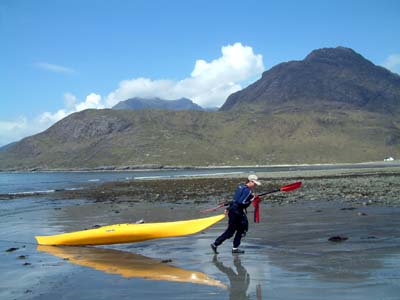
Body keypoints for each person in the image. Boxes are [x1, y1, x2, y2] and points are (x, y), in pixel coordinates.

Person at [211, 174, 261, 254]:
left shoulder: (240, 187)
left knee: (238, 229)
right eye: (254, 183)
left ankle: (231, 247)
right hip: (237, 212)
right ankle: (217, 244)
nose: (255, 185)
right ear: (250, 181)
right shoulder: (248, 191)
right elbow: (242, 203)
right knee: (237, 230)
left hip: (233, 210)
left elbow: (235, 200)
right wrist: (252, 200)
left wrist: (228, 208)